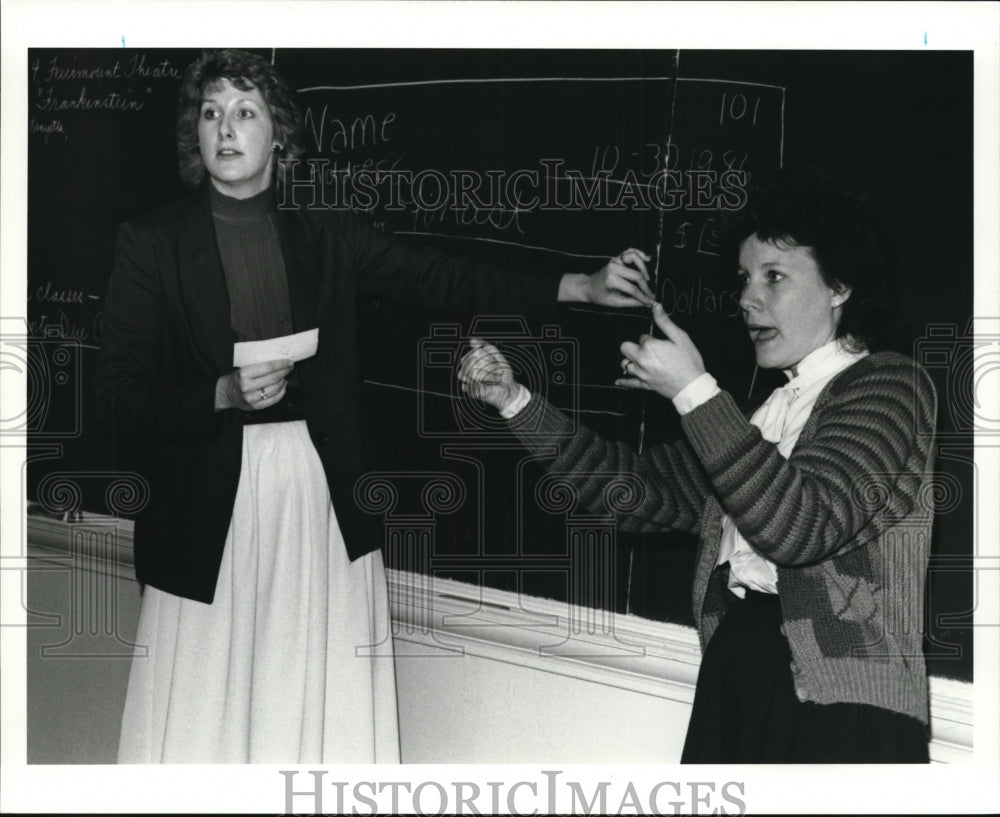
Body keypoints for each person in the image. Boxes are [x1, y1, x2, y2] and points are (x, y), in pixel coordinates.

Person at [95, 48, 654, 764]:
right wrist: (218, 393)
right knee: (204, 706)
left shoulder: (326, 233)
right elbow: (116, 395)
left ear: (279, 136)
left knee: (306, 703)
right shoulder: (151, 242)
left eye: (244, 112)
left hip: (317, 494)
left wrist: (576, 287)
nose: (224, 129)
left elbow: (442, 278)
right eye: (210, 113)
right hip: (205, 509)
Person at [459, 171, 938, 763]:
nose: (747, 299)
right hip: (742, 669)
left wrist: (693, 391)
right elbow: (632, 492)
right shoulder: (765, 414)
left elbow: (802, 525)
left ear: (839, 287)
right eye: (744, 279)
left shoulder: (889, 386)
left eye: (775, 277)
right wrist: (515, 401)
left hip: (842, 707)